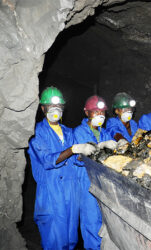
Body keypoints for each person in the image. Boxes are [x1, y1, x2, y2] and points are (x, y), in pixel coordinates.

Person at [28, 86, 97, 250]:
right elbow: (47, 160)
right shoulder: (37, 132)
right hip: (51, 194)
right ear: (43, 108)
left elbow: (77, 161)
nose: (55, 110)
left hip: (71, 193)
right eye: (51, 107)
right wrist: (73, 150)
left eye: (59, 107)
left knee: (70, 241)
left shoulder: (68, 132)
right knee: (55, 242)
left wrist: (87, 153)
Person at [73, 95, 117, 250]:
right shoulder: (79, 131)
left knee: (106, 227)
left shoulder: (104, 133)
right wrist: (102, 145)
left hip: (104, 184)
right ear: (87, 113)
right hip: (87, 184)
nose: (100, 115)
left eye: (102, 112)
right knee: (91, 224)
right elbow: (82, 156)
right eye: (95, 111)